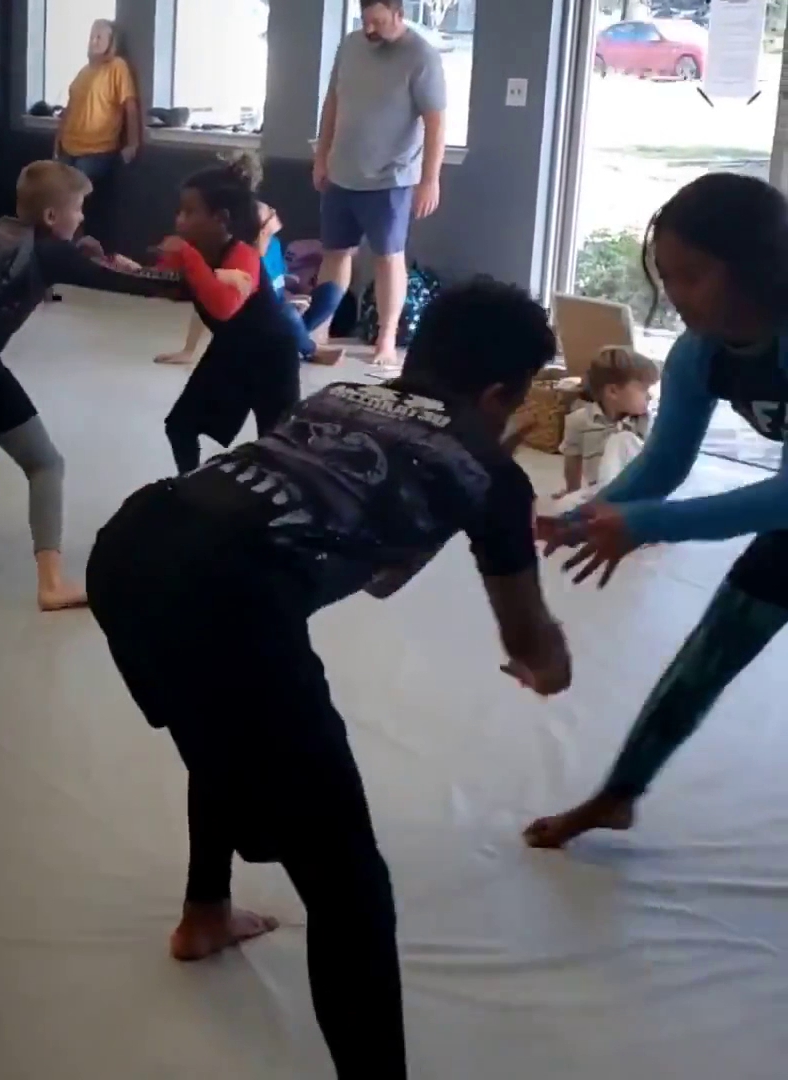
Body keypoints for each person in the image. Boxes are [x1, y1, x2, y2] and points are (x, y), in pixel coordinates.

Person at [87, 278, 571, 1079]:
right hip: (225, 597)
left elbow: (376, 569)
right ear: (499, 395)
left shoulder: (341, 394)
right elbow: (532, 646)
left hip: (133, 545)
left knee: (222, 724)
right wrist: (549, 661)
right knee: (349, 887)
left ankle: (205, 912)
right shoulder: (490, 467)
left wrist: (470, 491)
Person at [524, 172, 787, 850]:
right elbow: (664, 465)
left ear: (757, 267)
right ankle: (617, 797)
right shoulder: (702, 353)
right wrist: (584, 516)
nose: (675, 295)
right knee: (710, 652)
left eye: (693, 275)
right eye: (667, 277)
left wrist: (647, 524)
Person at [0, 160, 184, 611]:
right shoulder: (51, 253)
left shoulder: (1, 229)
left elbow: (62, 254)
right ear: (52, 216)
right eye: (78, 208)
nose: (82, 216)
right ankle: (51, 585)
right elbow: (120, 281)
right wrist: (193, 281)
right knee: (46, 463)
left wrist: (85, 249)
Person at [313, 0, 447, 367]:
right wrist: (322, 156)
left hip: (391, 177)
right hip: (342, 171)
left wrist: (430, 179)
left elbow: (436, 123)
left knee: (388, 257)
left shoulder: (422, 56)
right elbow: (332, 103)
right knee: (336, 252)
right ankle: (319, 329)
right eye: (365, 20)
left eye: (379, 21)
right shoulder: (350, 45)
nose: (370, 29)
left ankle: (386, 339)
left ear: (399, 14)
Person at [155, 156, 307, 475]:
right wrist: (115, 267)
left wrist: (187, 257)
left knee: (277, 444)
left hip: (272, 355)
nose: (179, 220)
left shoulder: (243, 255)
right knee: (180, 426)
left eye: (190, 212)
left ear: (221, 218)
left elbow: (223, 307)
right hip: (233, 348)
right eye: (180, 211)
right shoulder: (195, 252)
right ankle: (189, 486)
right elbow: (165, 283)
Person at [156, 154, 346, 367]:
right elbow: (216, 298)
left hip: (275, 302)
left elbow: (270, 274)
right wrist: (189, 350)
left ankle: (298, 341)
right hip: (263, 314)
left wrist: (292, 294)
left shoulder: (260, 219)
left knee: (325, 295)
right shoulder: (232, 241)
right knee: (284, 315)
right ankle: (310, 348)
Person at [54, 18, 141, 256]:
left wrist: (133, 143)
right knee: (57, 198)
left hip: (97, 149)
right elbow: (69, 110)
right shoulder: (84, 72)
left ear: (111, 42)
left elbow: (130, 106)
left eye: (99, 37)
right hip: (69, 147)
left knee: (73, 200)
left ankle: (77, 254)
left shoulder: (117, 67)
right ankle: (66, 251)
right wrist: (57, 142)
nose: (93, 40)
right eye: (92, 35)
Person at [550, 346, 659, 503]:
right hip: (600, 490)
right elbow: (573, 460)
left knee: (623, 439)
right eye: (644, 389)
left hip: (636, 490)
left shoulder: (645, 420)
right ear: (613, 391)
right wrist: (572, 490)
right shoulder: (578, 421)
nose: (649, 396)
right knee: (563, 505)